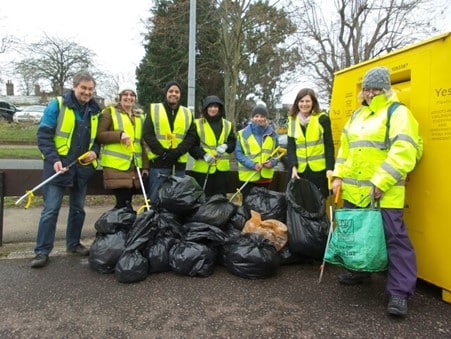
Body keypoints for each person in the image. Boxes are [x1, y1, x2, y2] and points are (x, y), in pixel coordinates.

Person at [331, 66, 420, 317]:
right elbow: (345, 151)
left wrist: (381, 181)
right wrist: (338, 177)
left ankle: (399, 293)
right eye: (366, 88)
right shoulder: (357, 115)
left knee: (395, 240)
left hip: (385, 192)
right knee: (358, 237)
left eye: (374, 89)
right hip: (354, 191)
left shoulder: (398, 113)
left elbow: (404, 151)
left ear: (385, 88)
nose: (369, 93)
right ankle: (360, 272)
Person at [31, 71, 101, 268]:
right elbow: (43, 136)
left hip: (81, 169)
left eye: (90, 89)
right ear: (74, 87)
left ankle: (73, 244)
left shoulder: (95, 111)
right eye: (83, 88)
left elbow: (97, 141)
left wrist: (95, 153)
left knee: (78, 209)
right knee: (51, 210)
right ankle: (42, 251)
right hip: (58, 167)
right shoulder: (57, 105)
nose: (87, 92)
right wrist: (54, 159)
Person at [142, 80, 196, 204]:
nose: (174, 94)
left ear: (180, 95)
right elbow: (147, 134)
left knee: (177, 200)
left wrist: (178, 151)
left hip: (179, 162)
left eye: (177, 92)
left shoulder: (187, 113)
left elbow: (191, 136)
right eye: (171, 91)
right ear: (166, 93)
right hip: (159, 161)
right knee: (156, 197)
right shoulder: (154, 109)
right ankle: (154, 222)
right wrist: (163, 152)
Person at [96, 84, 149, 210]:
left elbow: (143, 144)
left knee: (126, 204)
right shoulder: (109, 113)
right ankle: (119, 227)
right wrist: (119, 135)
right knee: (123, 203)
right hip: (115, 166)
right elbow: (100, 135)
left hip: (134, 167)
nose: (128, 97)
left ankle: (122, 227)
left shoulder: (140, 117)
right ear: (119, 97)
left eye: (132, 95)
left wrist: (145, 166)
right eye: (125, 94)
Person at [286, 88, 335, 199]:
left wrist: (330, 168)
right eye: (301, 101)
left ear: (313, 102)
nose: (304, 104)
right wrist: (293, 166)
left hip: (319, 172)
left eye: (307, 101)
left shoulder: (322, 119)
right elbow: (291, 147)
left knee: (318, 203)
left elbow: (329, 146)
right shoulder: (292, 121)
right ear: (297, 103)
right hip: (299, 172)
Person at [189, 95, 236, 198]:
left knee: (220, 201)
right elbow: (191, 146)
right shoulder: (197, 124)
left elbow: (233, 143)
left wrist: (226, 146)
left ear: (219, 108)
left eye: (215, 106)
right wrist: (204, 155)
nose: (213, 109)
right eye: (210, 106)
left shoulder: (228, 124)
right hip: (202, 171)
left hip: (222, 171)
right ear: (206, 108)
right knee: (203, 200)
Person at [234, 103, 279, 199]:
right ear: (252, 118)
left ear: (266, 118)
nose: (259, 119)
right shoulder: (243, 134)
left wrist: (272, 162)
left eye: (262, 116)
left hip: (265, 178)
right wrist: (252, 165)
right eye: (256, 116)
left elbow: (277, 152)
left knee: (262, 209)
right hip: (248, 177)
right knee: (247, 209)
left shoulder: (273, 134)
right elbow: (238, 153)